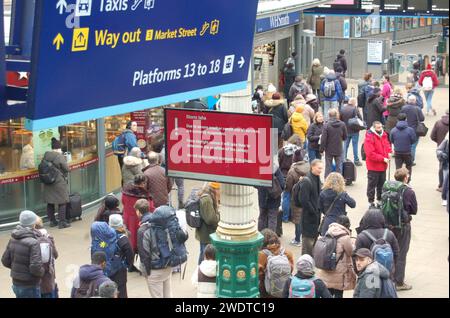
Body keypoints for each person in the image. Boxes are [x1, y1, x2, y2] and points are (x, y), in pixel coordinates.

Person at [137, 205, 187, 298]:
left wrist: (147, 273)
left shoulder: (143, 230)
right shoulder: (166, 225)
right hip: (168, 265)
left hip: (154, 270)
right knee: (168, 295)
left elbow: (144, 254)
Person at [1, 211, 44, 298]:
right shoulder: (33, 242)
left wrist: (17, 270)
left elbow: (5, 260)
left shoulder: (13, 239)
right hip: (30, 285)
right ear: (33, 224)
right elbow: (35, 267)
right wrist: (42, 272)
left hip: (16, 283)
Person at [316, 216, 356, 298]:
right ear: (347, 225)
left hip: (327, 267)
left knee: (328, 294)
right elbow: (350, 252)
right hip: (339, 271)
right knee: (338, 294)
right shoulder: (345, 237)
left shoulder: (329, 231)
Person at [391, 168, 417, 291]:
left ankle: (390, 276)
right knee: (401, 252)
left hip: (390, 224)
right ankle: (399, 282)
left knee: (390, 250)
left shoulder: (389, 187)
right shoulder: (409, 191)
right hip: (402, 225)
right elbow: (414, 210)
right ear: (405, 178)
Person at [42, 138, 70, 229]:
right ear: (58, 148)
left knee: (50, 202)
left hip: (48, 181)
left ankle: (52, 221)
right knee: (62, 201)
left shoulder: (46, 155)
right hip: (58, 182)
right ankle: (62, 222)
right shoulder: (59, 156)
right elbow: (66, 169)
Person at [122, 174, 154, 253]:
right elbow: (151, 208)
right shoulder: (145, 196)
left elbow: (123, 202)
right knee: (140, 240)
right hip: (139, 220)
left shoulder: (126, 192)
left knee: (129, 238)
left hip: (127, 219)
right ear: (142, 183)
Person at [258, 229, 294, 298]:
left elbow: (259, 274)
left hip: (266, 289)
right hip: (284, 287)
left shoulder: (261, 255)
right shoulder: (287, 253)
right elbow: (291, 269)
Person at [364, 121, 392, 208]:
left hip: (383, 166)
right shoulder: (369, 137)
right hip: (373, 167)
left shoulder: (384, 135)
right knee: (372, 185)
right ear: (374, 128)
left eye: (381, 127)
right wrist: (383, 158)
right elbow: (370, 153)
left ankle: (379, 200)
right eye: (378, 128)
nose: (380, 129)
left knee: (381, 185)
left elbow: (387, 145)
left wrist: (389, 152)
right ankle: (371, 201)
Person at [298, 160, 323, 256]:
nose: (321, 170)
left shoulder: (316, 178)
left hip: (315, 217)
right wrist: (313, 211)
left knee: (313, 243)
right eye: (319, 168)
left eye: (321, 168)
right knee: (307, 245)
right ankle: (305, 265)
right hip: (308, 218)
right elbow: (304, 200)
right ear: (312, 167)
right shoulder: (307, 180)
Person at [108, 214, 134, 298]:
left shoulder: (105, 237)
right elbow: (130, 254)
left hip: (107, 268)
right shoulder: (123, 239)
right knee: (121, 291)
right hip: (119, 270)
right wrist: (126, 265)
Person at [286, 159, 310, 246]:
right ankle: (304, 237)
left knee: (297, 219)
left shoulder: (291, 172)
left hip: (296, 198)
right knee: (304, 218)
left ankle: (297, 239)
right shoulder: (307, 168)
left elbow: (288, 185)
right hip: (307, 197)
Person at [257, 163, 285, 236]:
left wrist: (261, 189)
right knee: (272, 219)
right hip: (274, 199)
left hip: (262, 198)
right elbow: (282, 184)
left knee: (262, 217)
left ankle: (260, 236)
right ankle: (270, 239)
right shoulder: (275, 168)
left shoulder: (259, 167)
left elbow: (254, 183)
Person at [196, 182, 221, 265]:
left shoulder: (209, 196)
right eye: (219, 189)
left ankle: (200, 271)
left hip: (205, 233)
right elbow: (210, 219)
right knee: (205, 255)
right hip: (206, 234)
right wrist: (219, 217)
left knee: (203, 253)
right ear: (215, 190)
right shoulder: (207, 199)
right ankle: (201, 273)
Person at [35, 217, 58, 298]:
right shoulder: (48, 238)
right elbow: (56, 255)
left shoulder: (32, 239)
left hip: (37, 278)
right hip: (48, 276)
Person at [320, 109, 348, 178]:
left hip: (329, 150)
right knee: (339, 167)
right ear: (337, 115)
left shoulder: (326, 125)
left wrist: (321, 150)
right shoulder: (342, 124)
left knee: (328, 167)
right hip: (339, 149)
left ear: (329, 115)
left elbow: (323, 139)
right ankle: (339, 183)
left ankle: (327, 182)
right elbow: (345, 137)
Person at [390, 114, 417, 182]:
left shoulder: (393, 130)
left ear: (397, 120)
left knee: (398, 168)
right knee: (408, 167)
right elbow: (414, 140)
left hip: (397, 151)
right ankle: (407, 181)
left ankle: (398, 181)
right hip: (407, 151)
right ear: (406, 119)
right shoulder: (410, 130)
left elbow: (391, 140)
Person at [401, 95, 425, 164]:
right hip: (415, 130)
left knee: (405, 144)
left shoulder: (403, 108)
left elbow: (400, 116)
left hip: (405, 128)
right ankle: (410, 161)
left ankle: (405, 159)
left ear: (408, 100)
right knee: (413, 145)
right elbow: (422, 118)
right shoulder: (417, 108)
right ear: (415, 101)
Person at [340, 97, 363, 166]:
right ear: (354, 103)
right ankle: (356, 160)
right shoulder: (355, 109)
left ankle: (343, 159)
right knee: (355, 146)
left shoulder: (342, 108)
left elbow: (340, 119)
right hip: (354, 130)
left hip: (346, 130)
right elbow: (360, 119)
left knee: (345, 145)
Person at [431, 111, 449, 192]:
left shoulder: (438, 123)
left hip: (441, 149)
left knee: (442, 167)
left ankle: (442, 185)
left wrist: (439, 143)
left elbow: (432, 136)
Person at [437, 135, 449, 206]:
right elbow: (438, 150)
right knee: (446, 183)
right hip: (446, 165)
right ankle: (445, 199)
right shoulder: (446, 141)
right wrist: (442, 154)